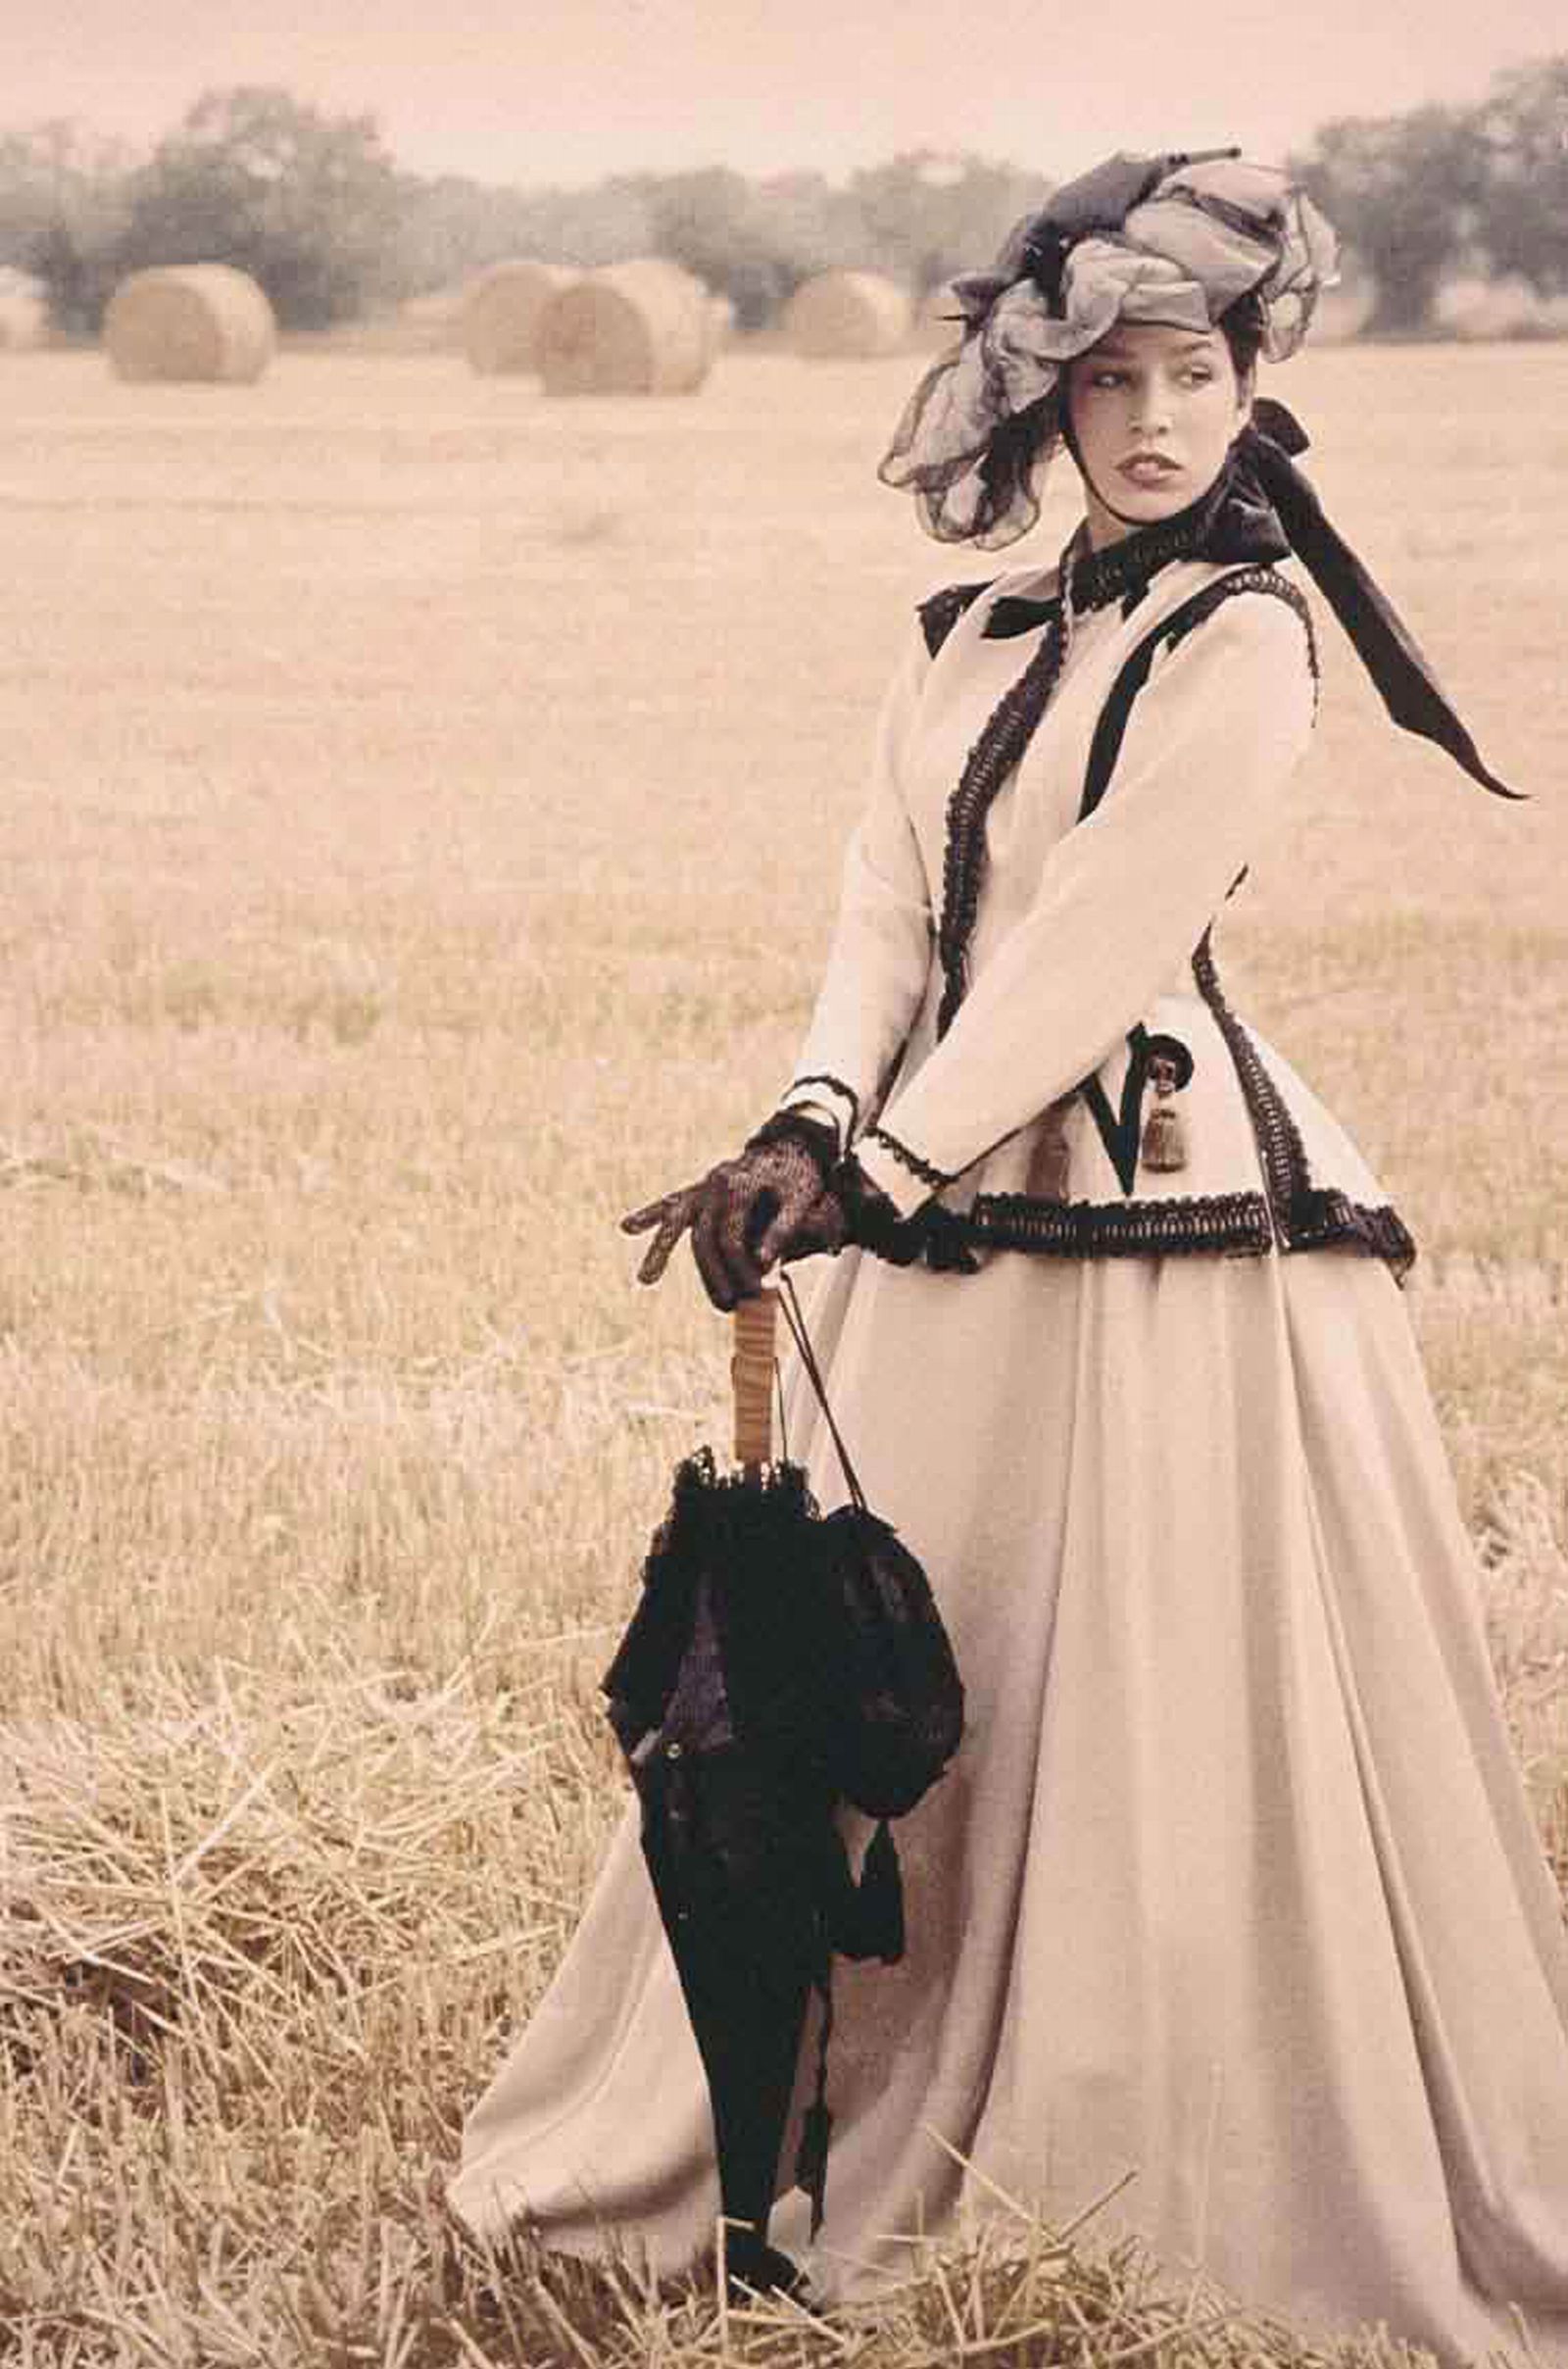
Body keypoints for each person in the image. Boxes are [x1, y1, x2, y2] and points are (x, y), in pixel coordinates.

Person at [449, 152, 1568, 2359]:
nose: (1153, 416)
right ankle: (813, 2134)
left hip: (1158, 1222)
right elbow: (885, 916)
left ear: (1255, 390)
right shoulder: (962, 637)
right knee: (902, 1691)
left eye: (1197, 372)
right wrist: (798, 1115)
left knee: (1139, 1691)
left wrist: (877, 1170)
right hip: (934, 1211)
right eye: (1113, 381)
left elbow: (1086, 958)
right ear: (1046, 409)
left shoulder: (1244, 633)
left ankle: (1140, 2157)